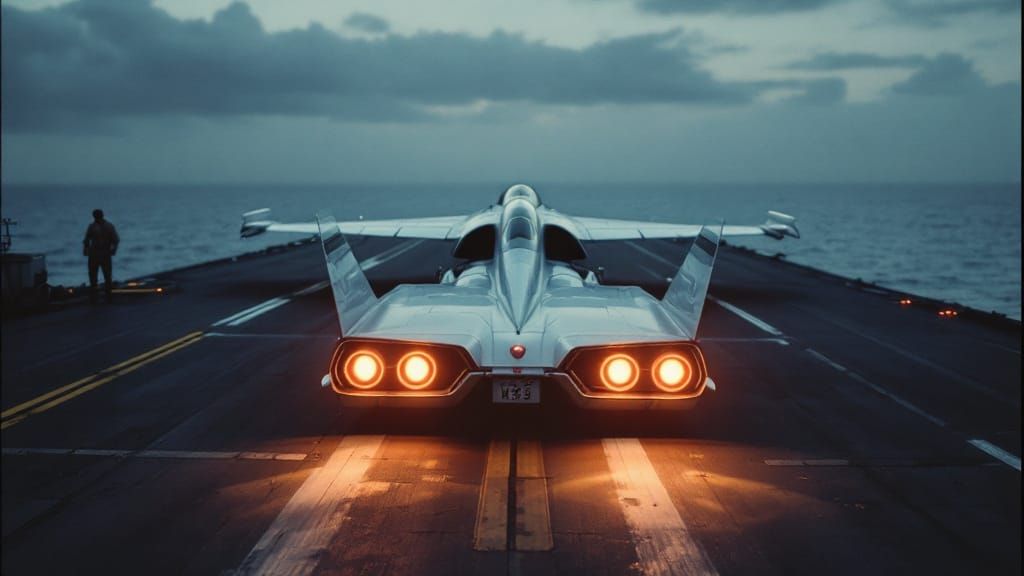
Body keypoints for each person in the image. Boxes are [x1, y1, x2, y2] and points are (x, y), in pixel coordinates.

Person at [83, 209, 119, 303]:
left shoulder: (108, 226)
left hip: (103, 253)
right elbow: (87, 240)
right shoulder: (93, 227)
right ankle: (96, 297)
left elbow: (115, 240)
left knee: (106, 276)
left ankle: (107, 296)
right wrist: (86, 250)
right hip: (95, 254)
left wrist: (113, 250)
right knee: (94, 276)